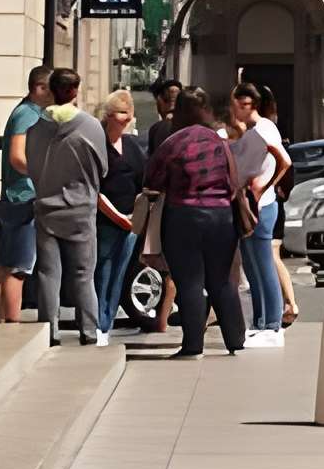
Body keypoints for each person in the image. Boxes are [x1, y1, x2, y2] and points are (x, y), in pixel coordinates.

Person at [146, 93, 246, 358]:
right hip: (221, 216)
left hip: (183, 214)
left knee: (189, 281)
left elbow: (152, 180)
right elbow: (234, 181)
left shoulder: (172, 143)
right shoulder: (219, 141)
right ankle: (235, 339)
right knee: (223, 280)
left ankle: (193, 345)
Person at [23, 71, 108, 347]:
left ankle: (50, 332)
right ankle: (89, 330)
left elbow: (32, 167)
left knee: (49, 274)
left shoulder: (35, 129)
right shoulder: (91, 126)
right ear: (75, 91)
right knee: (84, 274)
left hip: (46, 208)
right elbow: (103, 168)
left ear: (50, 90)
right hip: (81, 209)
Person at [225, 82, 290, 343]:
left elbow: (284, 161)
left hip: (260, 206)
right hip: (249, 205)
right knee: (252, 266)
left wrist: (265, 186)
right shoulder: (251, 131)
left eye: (238, 105)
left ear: (248, 104)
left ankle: (272, 324)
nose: (234, 110)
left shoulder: (264, 130)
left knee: (262, 266)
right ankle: (262, 322)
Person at [0, 65, 48, 325]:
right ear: (40, 89)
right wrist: (44, 172)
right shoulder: (28, 115)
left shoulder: (22, 111)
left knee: (5, 265)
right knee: (19, 268)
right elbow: (17, 156)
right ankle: (11, 326)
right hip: (24, 197)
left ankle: (1, 320)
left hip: (14, 197)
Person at [93, 91, 144, 334]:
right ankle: (98, 324)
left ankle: (108, 320)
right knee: (102, 270)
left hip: (130, 221)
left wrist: (135, 216)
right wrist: (119, 218)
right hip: (105, 220)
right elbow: (95, 190)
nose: (127, 118)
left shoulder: (132, 146)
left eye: (129, 112)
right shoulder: (98, 145)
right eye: (122, 113)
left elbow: (143, 182)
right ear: (109, 116)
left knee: (120, 273)